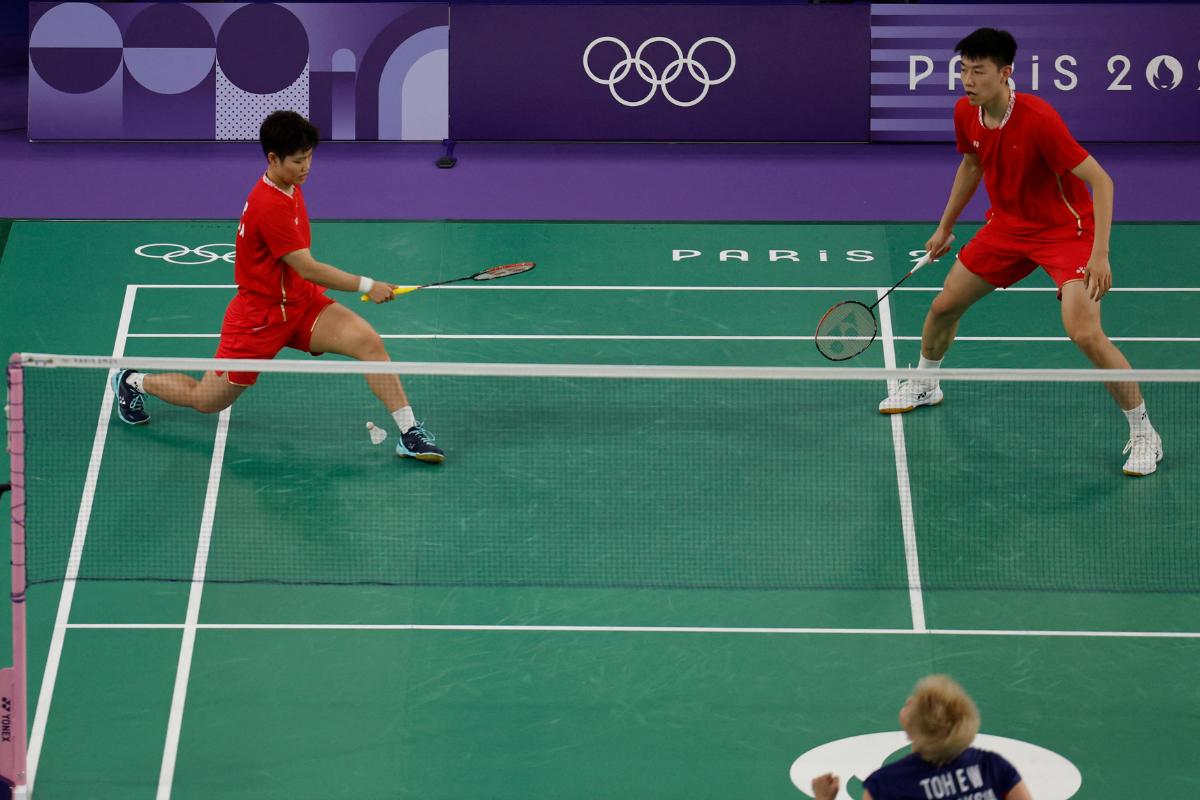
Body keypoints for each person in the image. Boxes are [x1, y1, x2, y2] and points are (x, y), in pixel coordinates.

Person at [878, 28, 1161, 477]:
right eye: (963, 70)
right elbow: (972, 163)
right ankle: (926, 383)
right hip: (1007, 227)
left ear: (1005, 73)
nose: (968, 80)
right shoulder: (966, 113)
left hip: (1065, 231)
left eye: (978, 71)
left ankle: (1145, 434)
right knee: (944, 305)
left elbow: (1102, 181)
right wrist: (945, 227)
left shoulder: (1039, 119)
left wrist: (1101, 254)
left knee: (1083, 332)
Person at [110, 110, 444, 463]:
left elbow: (301, 274)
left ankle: (409, 433)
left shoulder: (289, 187)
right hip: (259, 318)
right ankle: (132, 382)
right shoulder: (269, 205)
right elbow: (309, 268)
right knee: (206, 400)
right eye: (298, 160)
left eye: (310, 157)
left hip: (300, 304)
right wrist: (368, 284)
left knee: (369, 342)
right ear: (273, 158)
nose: (306, 167)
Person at [811, 675, 1032, 800]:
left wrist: (824, 799)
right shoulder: (993, 766)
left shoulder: (885, 785)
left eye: (914, 703)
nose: (909, 699)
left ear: (914, 729)